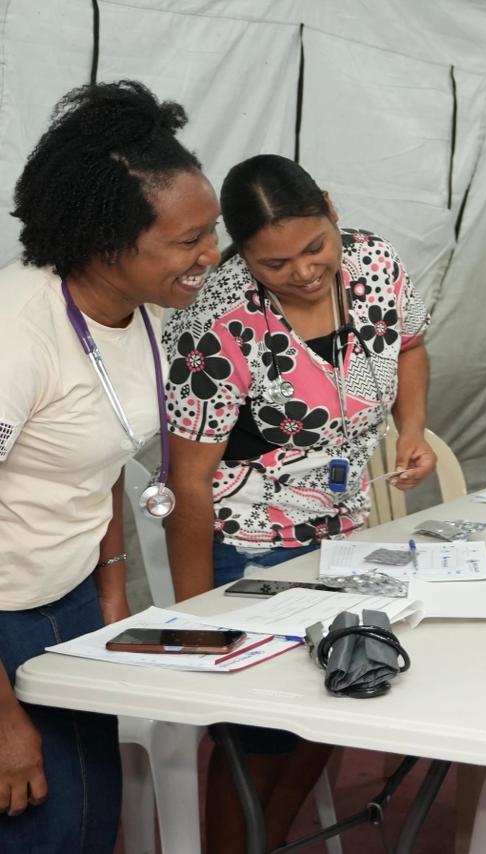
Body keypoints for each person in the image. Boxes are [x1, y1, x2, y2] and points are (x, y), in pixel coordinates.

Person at [161, 154, 433, 852]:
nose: (305, 270)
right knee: (258, 736)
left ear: (333, 211)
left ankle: (268, 845)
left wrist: (411, 428)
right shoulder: (216, 319)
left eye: (315, 246)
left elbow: (408, 343)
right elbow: (188, 480)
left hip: (344, 533)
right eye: (274, 263)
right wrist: (198, 622)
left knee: (324, 713)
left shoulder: (375, 263)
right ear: (241, 255)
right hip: (251, 544)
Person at [0, 80, 219, 852]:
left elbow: (97, 470)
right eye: (188, 241)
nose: (209, 256)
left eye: (212, 230)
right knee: (43, 828)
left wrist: (113, 595)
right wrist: (3, 721)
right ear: (105, 244)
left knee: (91, 823)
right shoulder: (17, 337)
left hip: (67, 601)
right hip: (4, 622)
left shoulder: (146, 313)